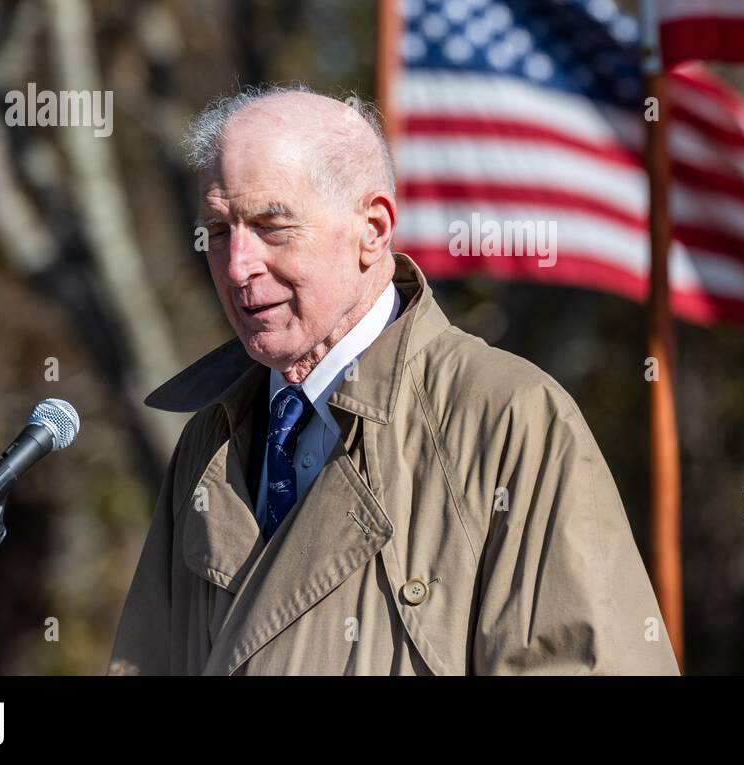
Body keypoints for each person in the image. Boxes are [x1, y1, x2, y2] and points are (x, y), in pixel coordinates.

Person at [107, 86, 679, 675]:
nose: (237, 266)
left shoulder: (509, 419)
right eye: (220, 231)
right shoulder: (208, 442)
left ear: (374, 229)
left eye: (272, 226)